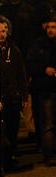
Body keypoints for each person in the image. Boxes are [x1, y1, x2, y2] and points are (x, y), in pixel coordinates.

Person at [0, 17, 29, 171]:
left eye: (4, 31)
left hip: (13, 98)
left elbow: (21, 74)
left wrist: (24, 95)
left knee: (13, 130)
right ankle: (0, 160)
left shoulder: (14, 49)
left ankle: (10, 158)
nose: (2, 34)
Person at [26, 16, 56, 166]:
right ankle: (49, 154)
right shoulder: (38, 45)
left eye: (54, 27)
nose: (50, 30)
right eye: (49, 27)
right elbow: (30, 64)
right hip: (46, 89)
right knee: (48, 124)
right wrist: (44, 70)